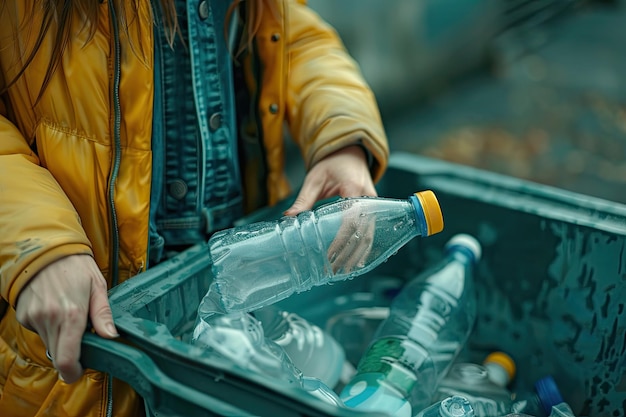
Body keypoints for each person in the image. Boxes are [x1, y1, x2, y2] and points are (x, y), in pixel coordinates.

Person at [0, 0, 389, 415]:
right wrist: (39, 242)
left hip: (247, 332)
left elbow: (290, 29)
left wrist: (341, 135)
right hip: (92, 355)